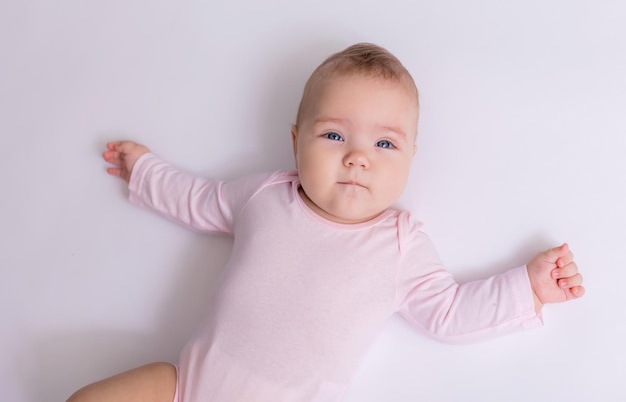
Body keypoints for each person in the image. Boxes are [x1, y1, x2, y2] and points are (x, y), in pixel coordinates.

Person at [68, 43, 585, 402]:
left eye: (384, 143)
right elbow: (199, 198)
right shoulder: (266, 196)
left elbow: (449, 311)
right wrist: (146, 171)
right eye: (335, 136)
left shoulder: (399, 244)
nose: (358, 157)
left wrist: (528, 288)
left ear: (411, 157)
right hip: (186, 388)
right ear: (296, 143)